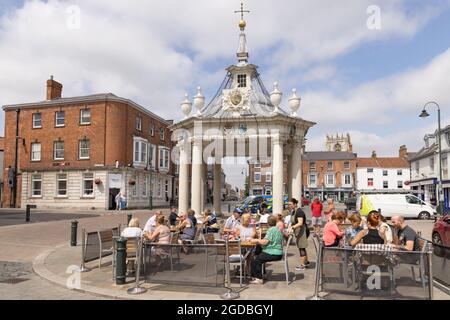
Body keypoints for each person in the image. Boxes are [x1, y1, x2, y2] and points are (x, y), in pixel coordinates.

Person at [249, 215, 284, 284]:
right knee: (258, 254)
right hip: (277, 252)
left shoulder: (271, 230)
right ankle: (262, 274)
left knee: (256, 260)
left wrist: (256, 240)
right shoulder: (277, 229)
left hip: (274, 253)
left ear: (268, 223)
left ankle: (258, 278)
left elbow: (265, 242)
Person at [288, 198, 310, 271]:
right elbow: (293, 221)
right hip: (299, 231)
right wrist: (289, 226)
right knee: (302, 247)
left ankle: (302, 265)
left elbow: (300, 223)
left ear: (295, 204)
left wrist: (292, 227)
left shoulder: (299, 211)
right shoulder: (294, 211)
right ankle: (306, 262)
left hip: (302, 231)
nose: (289, 205)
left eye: (290, 204)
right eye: (289, 204)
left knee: (301, 247)